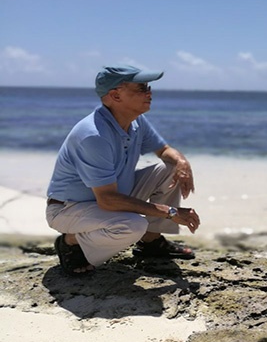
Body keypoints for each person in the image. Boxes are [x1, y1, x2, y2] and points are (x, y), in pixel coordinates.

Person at [45, 65, 201, 276]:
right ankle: (71, 242)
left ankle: (151, 241)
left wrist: (182, 162)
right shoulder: (94, 135)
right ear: (115, 95)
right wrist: (171, 213)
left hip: (112, 196)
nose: (149, 93)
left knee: (171, 168)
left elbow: (164, 150)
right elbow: (107, 200)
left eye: (148, 87)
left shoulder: (136, 121)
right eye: (141, 88)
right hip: (69, 209)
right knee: (133, 225)